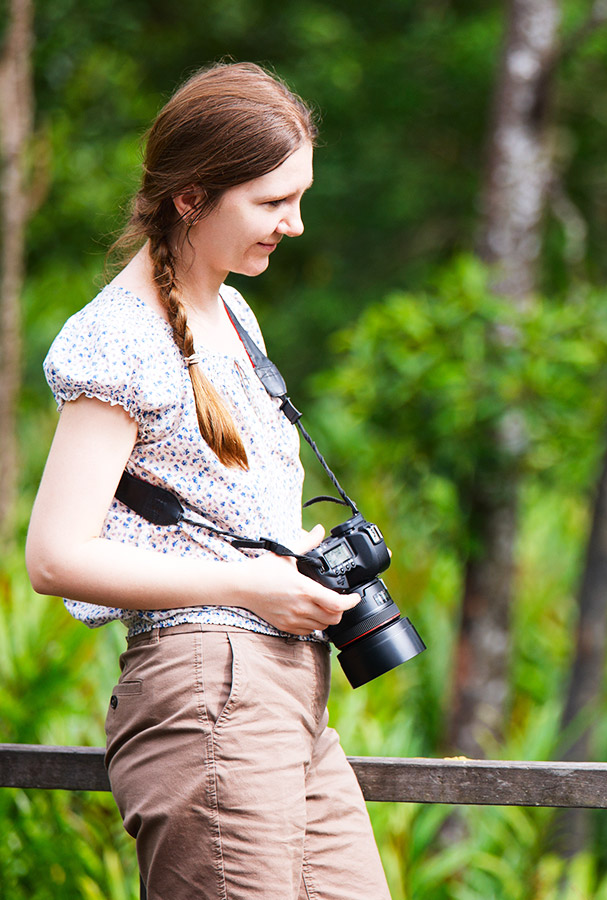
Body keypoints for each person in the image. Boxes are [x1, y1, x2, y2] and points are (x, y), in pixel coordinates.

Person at [24, 62, 390, 899]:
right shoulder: (117, 338)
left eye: (299, 198)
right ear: (190, 197)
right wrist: (250, 585)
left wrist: (295, 562)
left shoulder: (232, 313)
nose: (294, 225)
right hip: (207, 688)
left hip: (289, 691)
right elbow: (54, 556)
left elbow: (214, 514)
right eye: (271, 203)